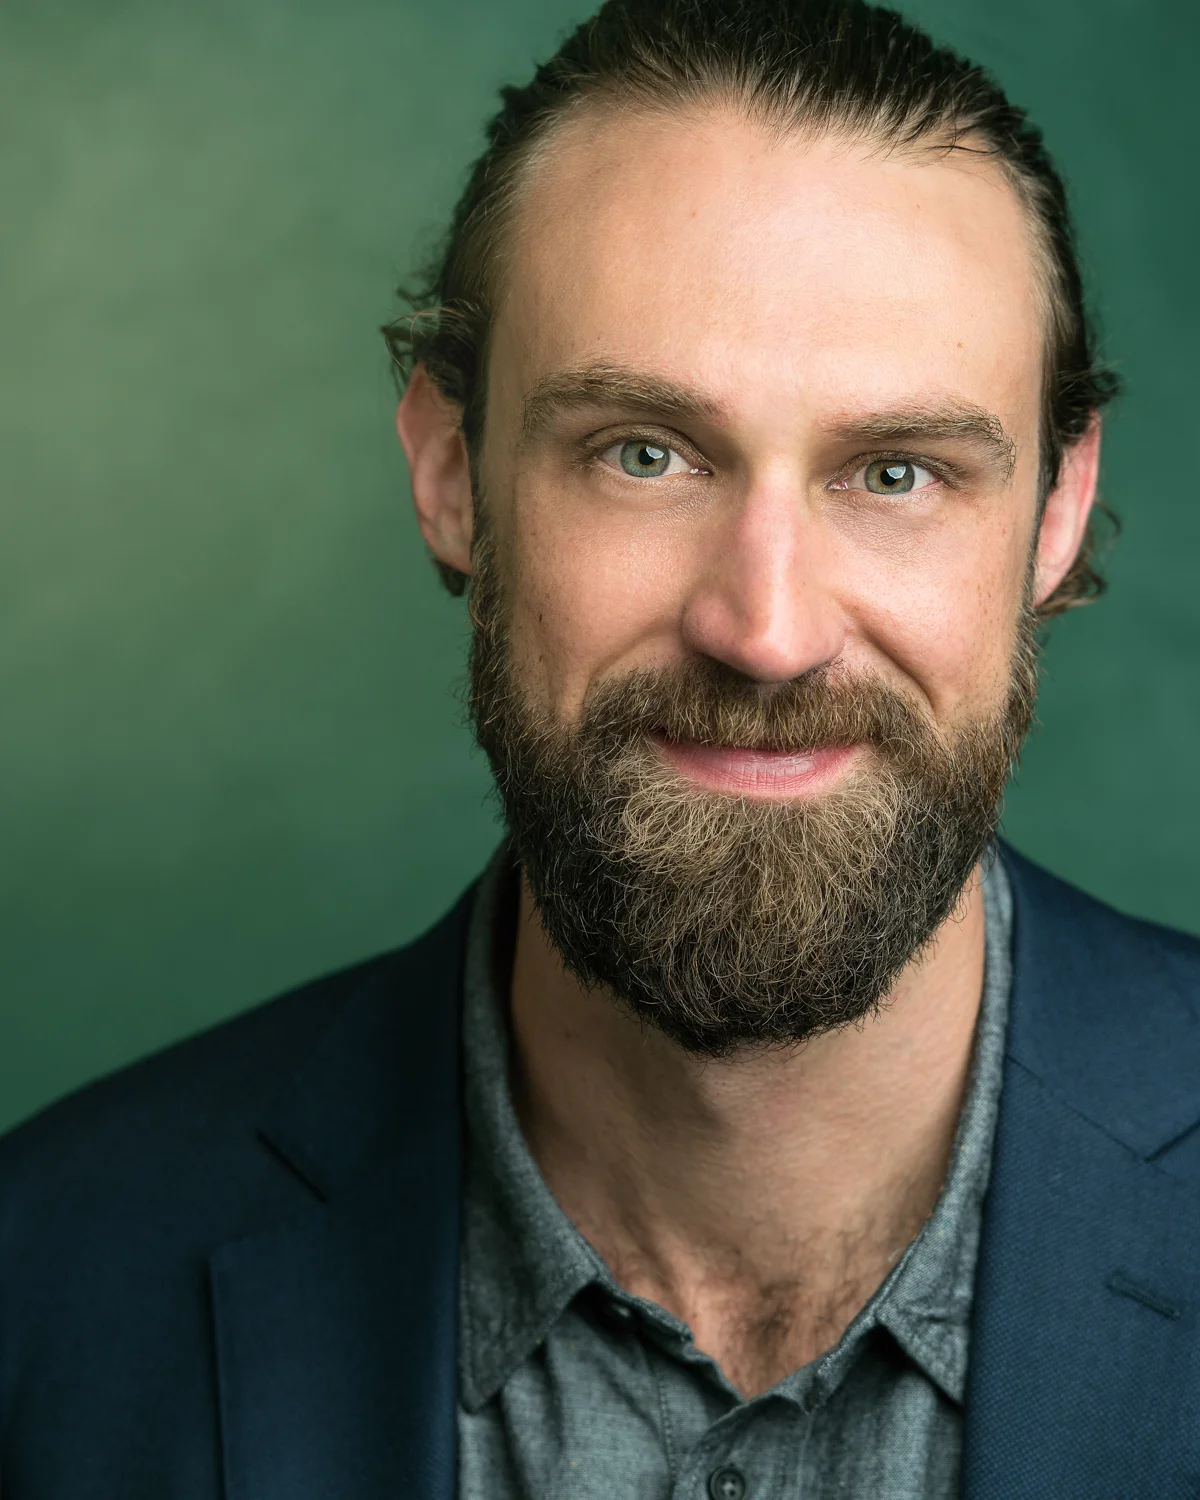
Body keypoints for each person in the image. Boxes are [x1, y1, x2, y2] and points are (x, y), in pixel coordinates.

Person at [3, 0, 1198, 1495]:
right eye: (646, 455)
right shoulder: (44, 1292)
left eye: (898, 472)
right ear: (452, 470)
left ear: (1058, 510)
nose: (766, 630)